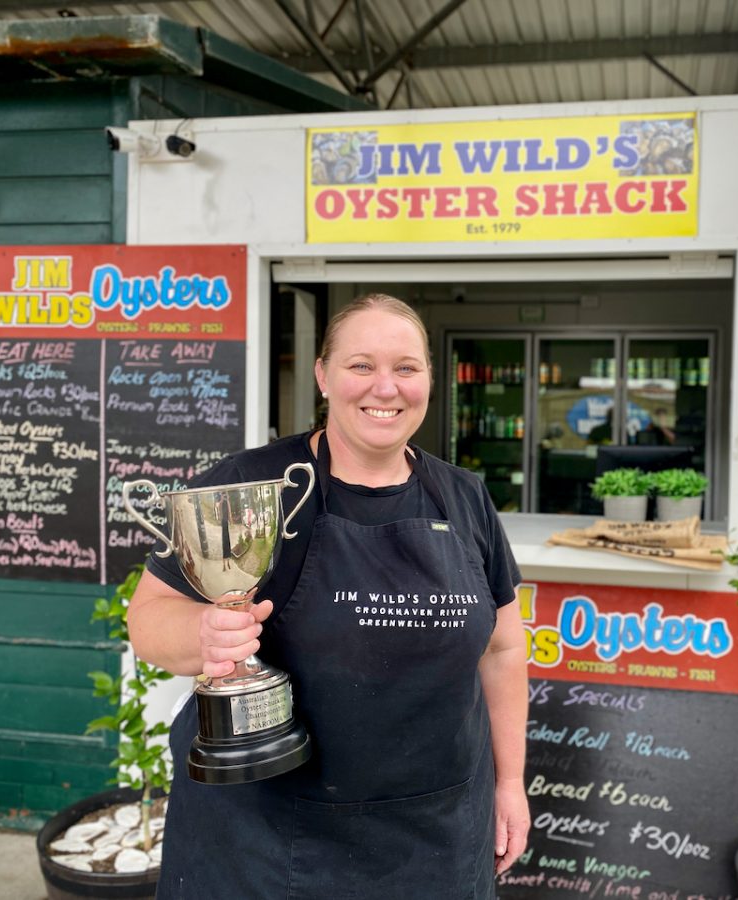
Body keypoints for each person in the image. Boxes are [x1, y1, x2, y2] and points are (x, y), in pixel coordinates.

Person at [127, 293, 530, 899]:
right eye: (361, 365)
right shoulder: (253, 484)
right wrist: (205, 634)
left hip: (437, 835)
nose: (385, 387)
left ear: (429, 379)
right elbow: (149, 621)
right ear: (323, 374)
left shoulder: (464, 496)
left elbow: (502, 650)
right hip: (267, 841)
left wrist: (511, 782)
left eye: (406, 368)